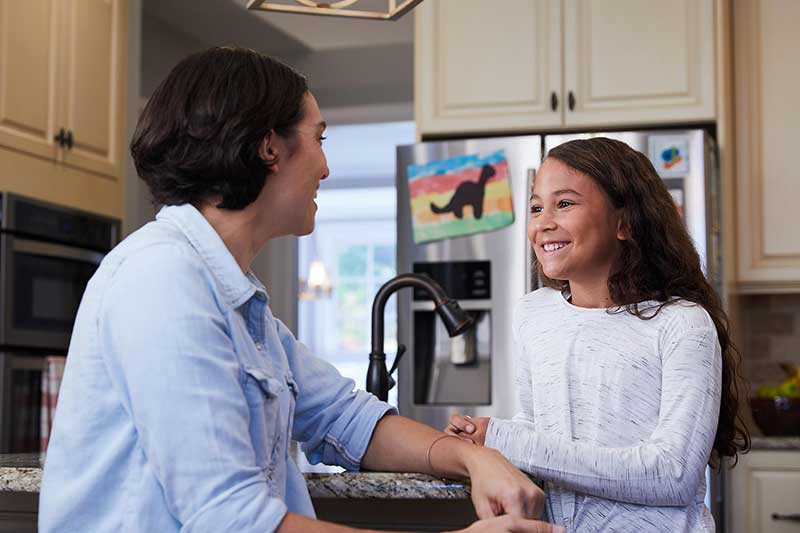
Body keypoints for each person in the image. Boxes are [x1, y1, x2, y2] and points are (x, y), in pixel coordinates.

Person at [38, 47, 559, 533]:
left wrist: (473, 457)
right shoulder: (163, 281)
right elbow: (229, 519)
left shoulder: (239, 300)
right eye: (319, 139)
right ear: (269, 147)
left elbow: (347, 418)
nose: (326, 166)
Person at [446, 138, 750, 532]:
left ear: (625, 222)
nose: (543, 222)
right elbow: (543, 424)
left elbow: (673, 474)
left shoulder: (682, 324)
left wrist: (509, 441)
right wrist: (484, 436)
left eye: (565, 204)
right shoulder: (533, 314)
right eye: (537, 207)